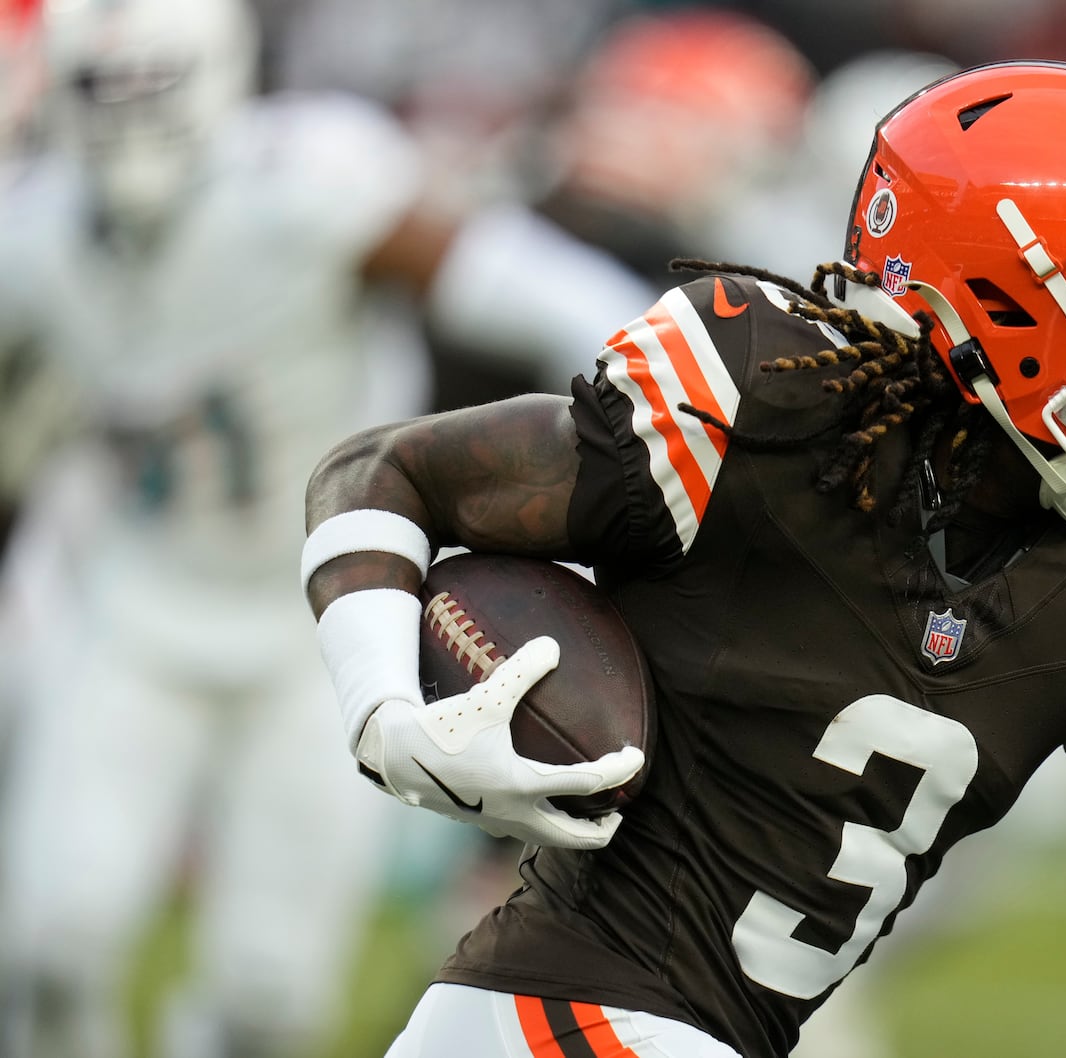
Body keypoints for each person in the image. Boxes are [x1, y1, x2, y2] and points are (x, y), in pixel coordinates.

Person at [301, 61, 1066, 1058]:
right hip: (551, 1016)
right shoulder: (757, 412)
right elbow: (382, 471)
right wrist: (384, 712)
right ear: (1014, 300)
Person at [0, 0, 652, 1055]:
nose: (127, 118)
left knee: (267, 994)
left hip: (330, 613)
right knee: (52, 943)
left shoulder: (309, 184)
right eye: (100, 91)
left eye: (149, 86)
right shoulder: (30, 233)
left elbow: (533, 288)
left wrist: (660, 390)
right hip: (126, 600)